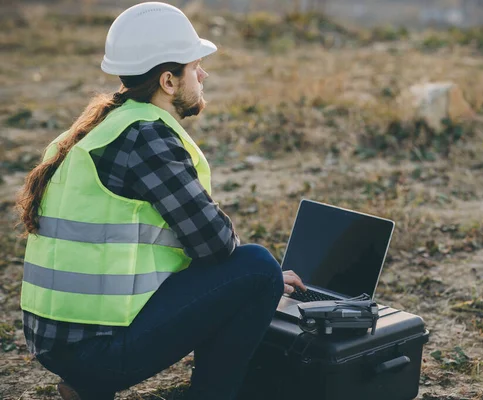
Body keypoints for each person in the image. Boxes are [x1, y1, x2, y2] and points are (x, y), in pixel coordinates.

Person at [15, 2, 306, 399]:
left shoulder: (104, 125)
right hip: (94, 351)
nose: (203, 74)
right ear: (168, 82)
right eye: (195, 66)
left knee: (255, 271)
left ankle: (86, 386)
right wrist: (264, 282)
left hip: (56, 342)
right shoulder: (146, 137)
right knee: (256, 266)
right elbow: (215, 244)